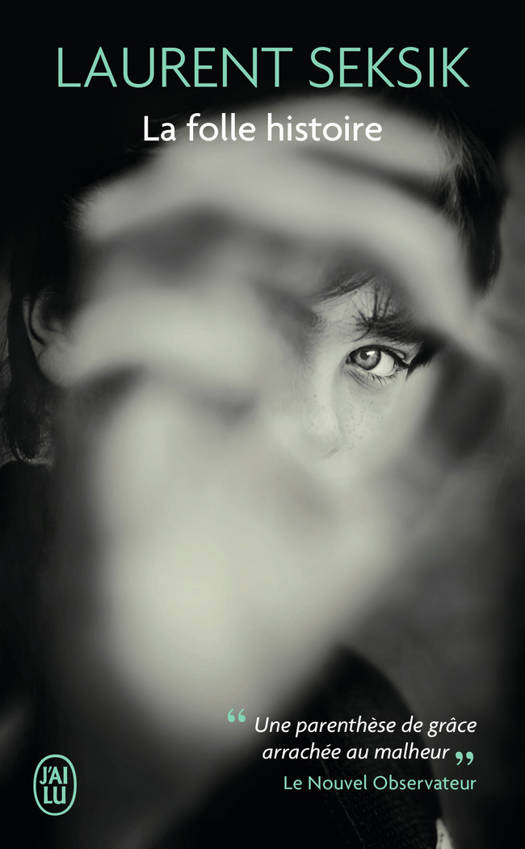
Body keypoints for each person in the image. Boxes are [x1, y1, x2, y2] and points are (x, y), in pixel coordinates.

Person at [0, 92, 503, 848]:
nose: (318, 428)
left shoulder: (358, 750)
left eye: (374, 357)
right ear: (64, 316)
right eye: (265, 318)